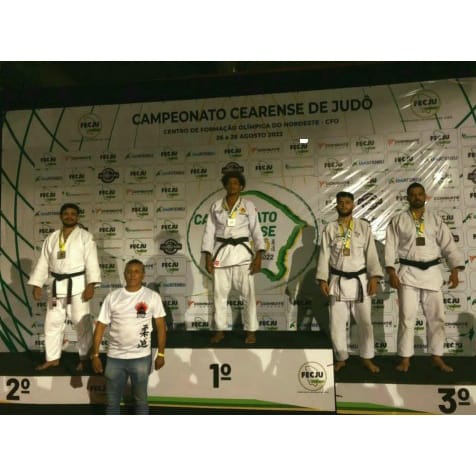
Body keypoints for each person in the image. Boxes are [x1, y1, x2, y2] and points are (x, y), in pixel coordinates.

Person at [385, 182, 464, 373]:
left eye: (420, 194)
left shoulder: (435, 219)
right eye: (413, 194)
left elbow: (448, 245)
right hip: (408, 273)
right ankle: (405, 358)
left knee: (437, 317)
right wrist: (391, 271)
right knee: (407, 318)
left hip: (432, 273)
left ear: (425, 196)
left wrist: (454, 270)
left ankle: (437, 357)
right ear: (407, 198)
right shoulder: (398, 220)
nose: (417, 197)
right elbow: (390, 247)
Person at [28, 203, 101, 371]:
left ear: (78, 216)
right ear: (61, 216)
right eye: (66, 213)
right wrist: (37, 284)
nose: (69, 216)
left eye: (73, 214)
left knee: (81, 323)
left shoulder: (85, 237)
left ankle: (85, 358)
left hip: (78, 286)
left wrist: (91, 285)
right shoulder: (52, 237)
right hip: (55, 286)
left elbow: (91, 261)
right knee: (52, 323)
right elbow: (43, 262)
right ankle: (52, 358)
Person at [316, 191, 383, 373]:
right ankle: (341, 358)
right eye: (341, 202)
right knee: (337, 323)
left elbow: (371, 253)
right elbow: (324, 255)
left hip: (360, 280)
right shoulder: (330, 228)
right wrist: (322, 279)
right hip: (337, 280)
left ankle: (367, 358)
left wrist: (374, 277)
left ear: (353, 205)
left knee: (365, 323)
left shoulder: (363, 227)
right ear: (336, 205)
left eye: (347, 202)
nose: (344, 205)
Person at [91, 259, 166, 414]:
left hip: (141, 358)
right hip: (115, 358)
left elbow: (160, 327)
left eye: (137, 271)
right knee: (112, 403)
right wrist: (95, 355)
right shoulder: (113, 297)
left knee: (141, 402)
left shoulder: (152, 297)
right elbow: (100, 326)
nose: (132, 275)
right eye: (129, 272)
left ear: (143, 275)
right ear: (124, 274)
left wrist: (161, 354)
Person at [201, 171, 266, 344]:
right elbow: (209, 232)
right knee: (219, 296)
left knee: (248, 295)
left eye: (236, 183)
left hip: (243, 255)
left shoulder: (248, 205)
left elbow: (256, 230)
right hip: (221, 254)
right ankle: (219, 330)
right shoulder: (216, 206)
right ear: (225, 185)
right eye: (229, 183)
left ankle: (251, 330)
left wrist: (259, 255)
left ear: (241, 186)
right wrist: (207, 256)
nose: (232, 186)